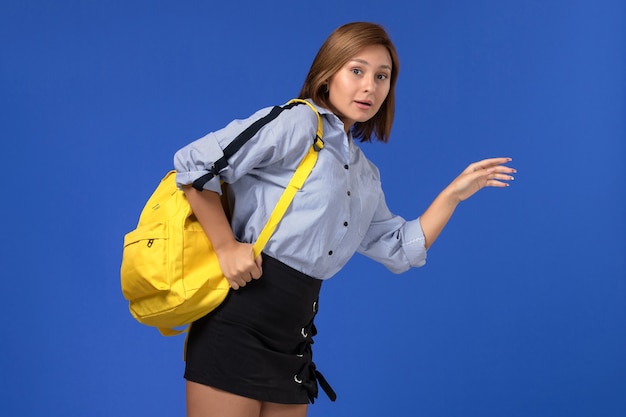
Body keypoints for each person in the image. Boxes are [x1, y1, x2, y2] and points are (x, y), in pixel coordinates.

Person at [174, 21, 515, 417]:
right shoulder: (298, 123)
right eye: (357, 70)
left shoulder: (365, 175)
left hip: (293, 342)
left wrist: (452, 195)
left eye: (381, 76)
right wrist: (225, 246)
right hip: (238, 324)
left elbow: (400, 250)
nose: (370, 86)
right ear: (327, 73)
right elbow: (195, 164)